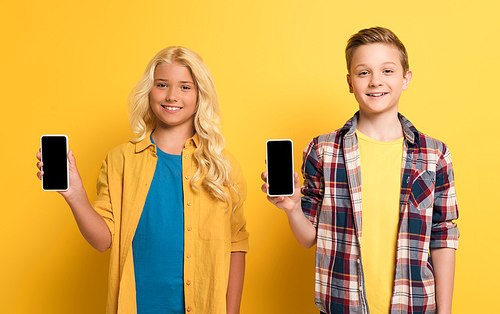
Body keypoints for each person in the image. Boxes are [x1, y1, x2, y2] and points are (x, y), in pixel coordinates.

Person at [37, 46, 249, 314]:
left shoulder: (222, 166)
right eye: (162, 84)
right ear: (149, 91)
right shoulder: (119, 160)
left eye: (185, 87)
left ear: (200, 95)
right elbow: (103, 241)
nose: (172, 95)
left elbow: (236, 245)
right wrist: (75, 196)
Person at [261, 27, 459, 314]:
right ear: (350, 82)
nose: (375, 81)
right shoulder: (322, 150)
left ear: (406, 78)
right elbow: (308, 238)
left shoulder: (435, 154)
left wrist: (446, 311)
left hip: (415, 306)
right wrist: (292, 209)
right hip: (342, 305)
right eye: (363, 72)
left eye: (387, 71)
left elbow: (443, 236)